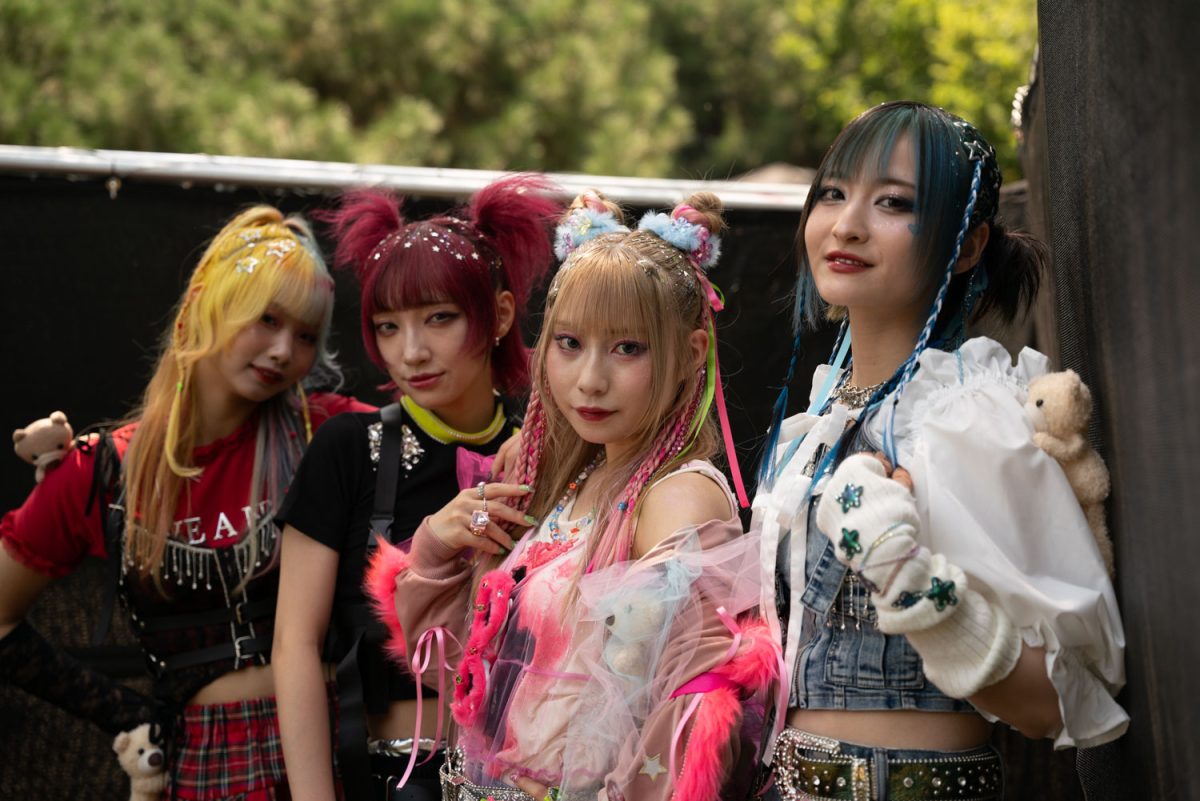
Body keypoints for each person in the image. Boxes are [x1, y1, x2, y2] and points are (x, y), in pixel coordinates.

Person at [754, 101, 1127, 800]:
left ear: (965, 245)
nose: (848, 223)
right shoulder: (820, 419)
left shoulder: (965, 415)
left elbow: (1059, 702)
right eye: (833, 192)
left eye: (892, 202)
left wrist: (915, 583)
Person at [364, 190, 776, 801]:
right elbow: (476, 685)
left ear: (690, 355)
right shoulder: (564, 481)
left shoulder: (676, 498)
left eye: (627, 348)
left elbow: (688, 728)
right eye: (569, 344)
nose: (589, 380)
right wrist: (434, 548)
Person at [0, 206, 371, 800]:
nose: (283, 350)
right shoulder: (99, 473)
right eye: (267, 319)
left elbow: (440, 446)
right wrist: (125, 715)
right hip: (205, 764)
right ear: (205, 301)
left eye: (305, 335)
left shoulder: (327, 433)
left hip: (338, 745)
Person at [271, 175, 562, 801]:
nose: (412, 351)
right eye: (388, 326)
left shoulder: (543, 459)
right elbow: (293, 645)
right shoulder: (348, 448)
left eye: (439, 318)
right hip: (377, 776)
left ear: (500, 316)